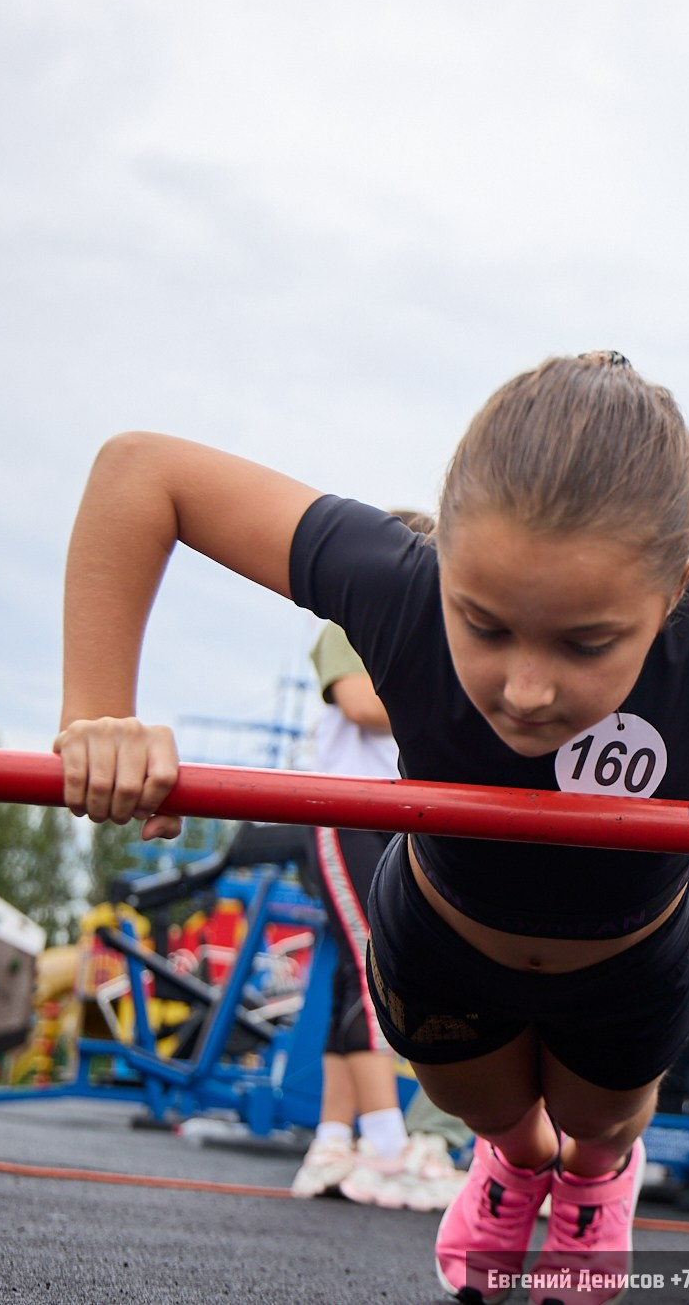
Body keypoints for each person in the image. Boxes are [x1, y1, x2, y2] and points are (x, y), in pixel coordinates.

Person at [49, 352, 689, 1305]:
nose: (525, 688)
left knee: (596, 1127)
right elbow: (143, 473)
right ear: (441, 558)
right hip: (441, 940)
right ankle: (514, 1167)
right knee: (497, 1119)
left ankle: (593, 1180)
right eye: (482, 623)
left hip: (627, 965)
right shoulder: (393, 582)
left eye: (585, 643)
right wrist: (98, 711)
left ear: (669, 592)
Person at [288, 508, 463, 1213]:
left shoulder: (419, 635)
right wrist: (454, 708)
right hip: (348, 814)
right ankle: (389, 1148)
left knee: (343, 983)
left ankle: (333, 1139)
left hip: (389, 817)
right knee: (375, 969)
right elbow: (360, 702)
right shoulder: (351, 622)